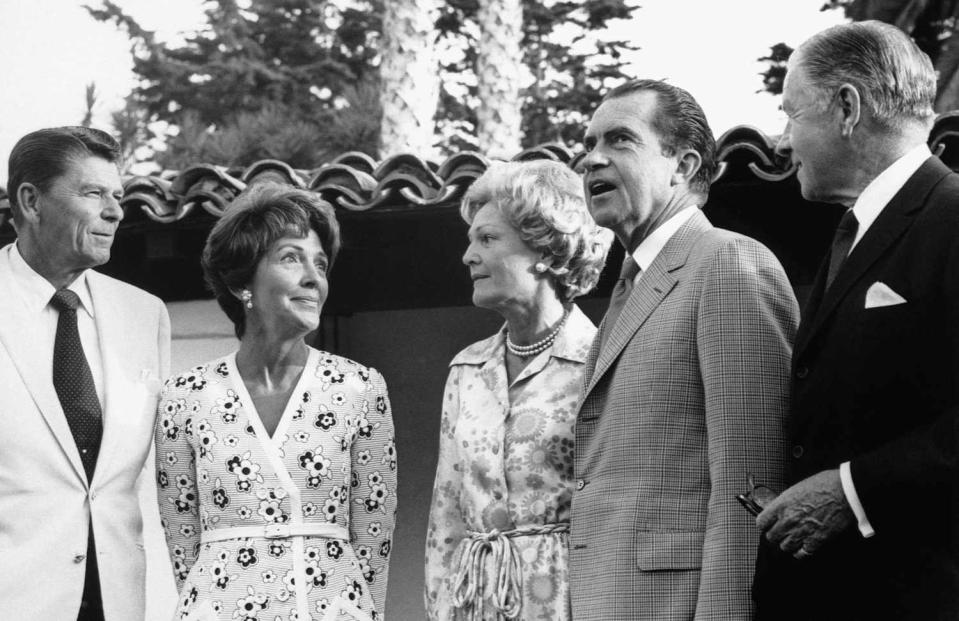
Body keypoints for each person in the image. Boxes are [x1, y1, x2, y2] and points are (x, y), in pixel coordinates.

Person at [570, 79, 799, 620]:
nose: (590, 159)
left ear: (684, 164)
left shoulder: (728, 263)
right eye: (589, 142)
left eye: (620, 140)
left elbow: (752, 483)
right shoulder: (629, 287)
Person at [752, 21, 959, 621]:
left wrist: (852, 489)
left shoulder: (951, 218)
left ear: (848, 107)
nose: (784, 143)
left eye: (792, 115)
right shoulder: (853, 234)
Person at [155, 183, 396, 621]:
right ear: (243, 281)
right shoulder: (185, 397)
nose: (313, 277)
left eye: (320, 264)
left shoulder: (360, 388)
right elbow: (182, 537)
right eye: (291, 258)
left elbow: (373, 536)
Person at [424, 160, 612, 620]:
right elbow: (445, 518)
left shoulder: (604, 362)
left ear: (545, 249)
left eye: (487, 239)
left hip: (570, 599)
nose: (468, 255)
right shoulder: (466, 370)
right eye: (471, 240)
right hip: (474, 603)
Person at [0, 126, 171, 620]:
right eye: (93, 193)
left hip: (116, 605)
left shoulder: (145, 315)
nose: (115, 211)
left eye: (117, 195)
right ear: (31, 201)